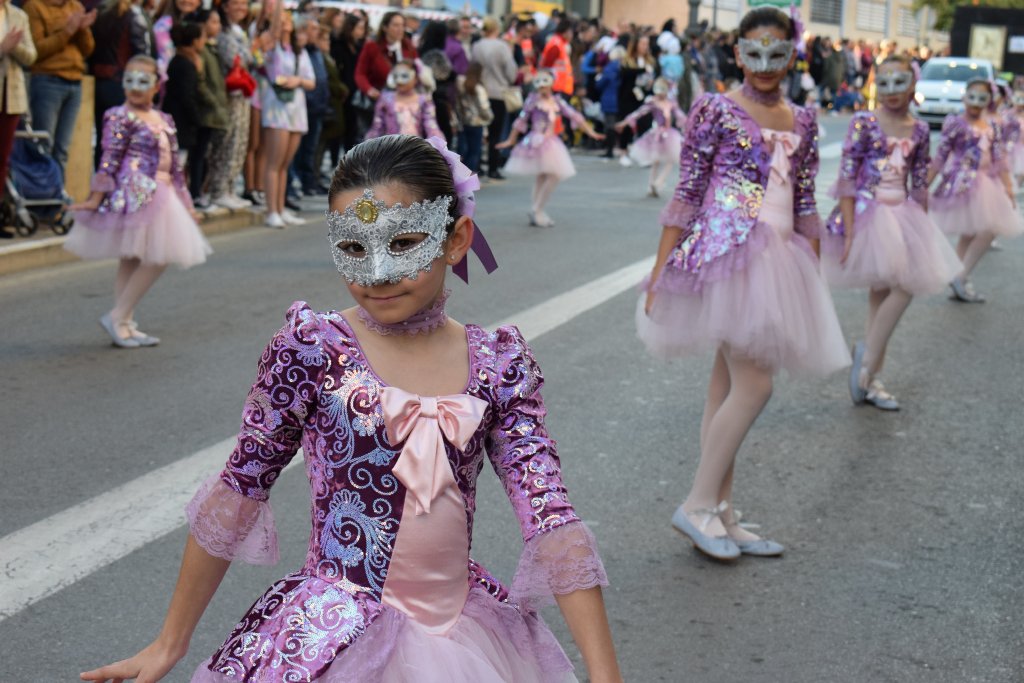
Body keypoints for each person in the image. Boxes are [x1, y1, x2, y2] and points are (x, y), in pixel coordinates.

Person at [79, 133, 624, 683]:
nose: (377, 273)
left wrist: (605, 675)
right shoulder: (311, 349)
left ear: (456, 239)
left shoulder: (497, 363)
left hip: (465, 636)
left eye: (404, 243)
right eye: (354, 249)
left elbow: (549, 514)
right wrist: (170, 641)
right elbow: (242, 485)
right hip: (332, 638)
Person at [636, 7, 849, 561]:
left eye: (775, 53)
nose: (764, 64)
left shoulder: (802, 120)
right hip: (727, 256)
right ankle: (699, 503)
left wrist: (815, 273)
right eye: (752, 52)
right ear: (737, 53)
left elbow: (805, 201)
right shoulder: (715, 109)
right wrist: (661, 274)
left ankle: (722, 511)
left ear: (792, 53)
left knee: (726, 387)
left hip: (782, 261)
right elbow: (686, 193)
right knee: (756, 386)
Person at [821, 56, 961, 411]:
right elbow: (847, 179)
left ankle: (870, 375)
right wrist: (851, 233)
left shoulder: (917, 130)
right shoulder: (863, 122)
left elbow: (919, 185)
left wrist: (924, 232)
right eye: (883, 83)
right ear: (875, 85)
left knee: (890, 292)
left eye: (899, 83)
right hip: (870, 216)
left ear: (913, 85)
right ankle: (868, 362)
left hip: (904, 216)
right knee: (897, 289)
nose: (891, 91)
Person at [65, 55, 210, 348]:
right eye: (129, 80)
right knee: (155, 256)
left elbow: (176, 169)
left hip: (164, 191)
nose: (135, 87)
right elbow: (108, 159)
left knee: (134, 256)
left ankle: (125, 322)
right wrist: (96, 196)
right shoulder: (119, 115)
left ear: (156, 86)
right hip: (136, 192)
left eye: (143, 81)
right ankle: (118, 316)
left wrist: (187, 205)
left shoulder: (163, 118)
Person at [927, 78, 1024, 303]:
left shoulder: (992, 125)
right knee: (987, 230)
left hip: (988, 183)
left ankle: (958, 275)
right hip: (964, 182)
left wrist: (1009, 187)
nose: (976, 103)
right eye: (972, 96)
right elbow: (940, 156)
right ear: (964, 97)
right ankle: (960, 275)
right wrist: (924, 186)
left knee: (976, 232)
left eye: (982, 98)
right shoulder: (956, 124)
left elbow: (999, 158)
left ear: (989, 101)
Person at [497, 69, 603, 228]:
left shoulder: (557, 100)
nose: (543, 89)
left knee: (545, 175)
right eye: (540, 86)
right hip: (536, 140)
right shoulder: (533, 100)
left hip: (550, 142)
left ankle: (537, 210)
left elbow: (574, 115)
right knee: (552, 175)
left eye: (545, 85)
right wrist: (510, 140)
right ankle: (537, 209)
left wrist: (590, 131)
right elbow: (521, 120)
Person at [24, 0, 96, 176]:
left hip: (75, 82)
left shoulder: (74, 6)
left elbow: (87, 50)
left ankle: (57, 197)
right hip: (47, 81)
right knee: (43, 145)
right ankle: (41, 197)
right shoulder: (34, 7)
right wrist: (67, 32)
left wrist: (82, 30)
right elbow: (36, 51)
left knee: (63, 149)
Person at [260, 3, 315, 228]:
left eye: (287, 19)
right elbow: (272, 33)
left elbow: (311, 81)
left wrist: (298, 81)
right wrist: (276, 11)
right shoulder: (273, 47)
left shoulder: (298, 51)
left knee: (285, 163)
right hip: (276, 108)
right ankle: (271, 209)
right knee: (274, 161)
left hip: (296, 109)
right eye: (281, 19)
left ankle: (281, 208)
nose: (285, 22)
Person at [89, 0, 151, 169]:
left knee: (104, 140)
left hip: (97, 82)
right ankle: (117, 186)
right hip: (121, 84)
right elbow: (142, 56)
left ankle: (101, 184)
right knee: (123, 140)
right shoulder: (133, 15)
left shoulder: (100, 12)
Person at [211, 0, 254, 210]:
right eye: (236, 3)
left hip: (242, 93)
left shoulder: (240, 31)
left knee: (240, 143)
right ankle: (218, 189)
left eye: (244, 3)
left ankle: (229, 188)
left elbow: (250, 58)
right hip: (229, 94)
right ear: (225, 6)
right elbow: (236, 59)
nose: (241, 7)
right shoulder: (224, 32)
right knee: (228, 142)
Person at [614, 77, 685, 197]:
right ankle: (655, 183)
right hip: (661, 134)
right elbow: (639, 113)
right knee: (663, 160)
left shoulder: (669, 102)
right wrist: (624, 123)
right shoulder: (655, 102)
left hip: (665, 133)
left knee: (665, 160)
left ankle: (655, 183)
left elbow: (681, 116)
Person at [471, 16, 516, 180]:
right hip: (498, 91)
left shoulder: (476, 46)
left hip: (480, 91)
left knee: (479, 129)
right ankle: (493, 166)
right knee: (496, 132)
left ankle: (476, 165)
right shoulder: (502, 47)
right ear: (497, 28)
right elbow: (511, 72)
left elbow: (473, 67)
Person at [0, 0, 36, 198]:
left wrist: (14, 48)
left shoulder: (18, 15)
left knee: (3, 158)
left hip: (11, 98)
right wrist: (2, 47)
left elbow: (31, 56)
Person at [163, 21, 203, 195]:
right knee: (176, 167)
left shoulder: (181, 61)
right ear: (194, 41)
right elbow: (187, 96)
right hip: (180, 124)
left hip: (179, 122)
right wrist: (197, 118)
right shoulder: (184, 64)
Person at [364, 60, 442, 140]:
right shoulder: (385, 99)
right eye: (395, 76)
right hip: (391, 148)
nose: (399, 81)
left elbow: (431, 126)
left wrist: (437, 144)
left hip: (415, 148)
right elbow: (377, 127)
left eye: (404, 76)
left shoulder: (424, 100)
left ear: (416, 78)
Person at [354, 10, 416, 101]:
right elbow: (360, 74)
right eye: (396, 25)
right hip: (379, 98)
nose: (400, 29)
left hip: (403, 101)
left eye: (402, 25)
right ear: (385, 27)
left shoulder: (409, 48)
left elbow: (417, 71)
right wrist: (369, 89)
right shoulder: (372, 47)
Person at [330, 12, 367, 152]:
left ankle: (347, 159)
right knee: (338, 130)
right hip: (342, 95)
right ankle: (334, 161)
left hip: (354, 94)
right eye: (359, 28)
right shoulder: (338, 46)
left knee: (351, 131)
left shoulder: (359, 47)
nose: (361, 32)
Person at [455, 60, 493, 174]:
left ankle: (460, 175)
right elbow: (484, 107)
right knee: (474, 151)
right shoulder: (479, 88)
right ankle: (469, 175)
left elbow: (457, 105)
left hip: (463, 122)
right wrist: (489, 118)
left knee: (463, 150)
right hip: (477, 123)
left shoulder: (461, 85)